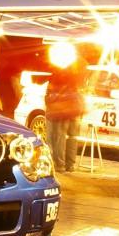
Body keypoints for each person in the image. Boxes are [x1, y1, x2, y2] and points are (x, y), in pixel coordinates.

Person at [44, 44, 85, 174]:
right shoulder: (80, 68)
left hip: (62, 109)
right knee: (72, 137)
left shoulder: (60, 71)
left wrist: (50, 100)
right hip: (75, 108)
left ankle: (60, 165)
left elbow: (51, 91)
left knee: (59, 137)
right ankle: (70, 164)